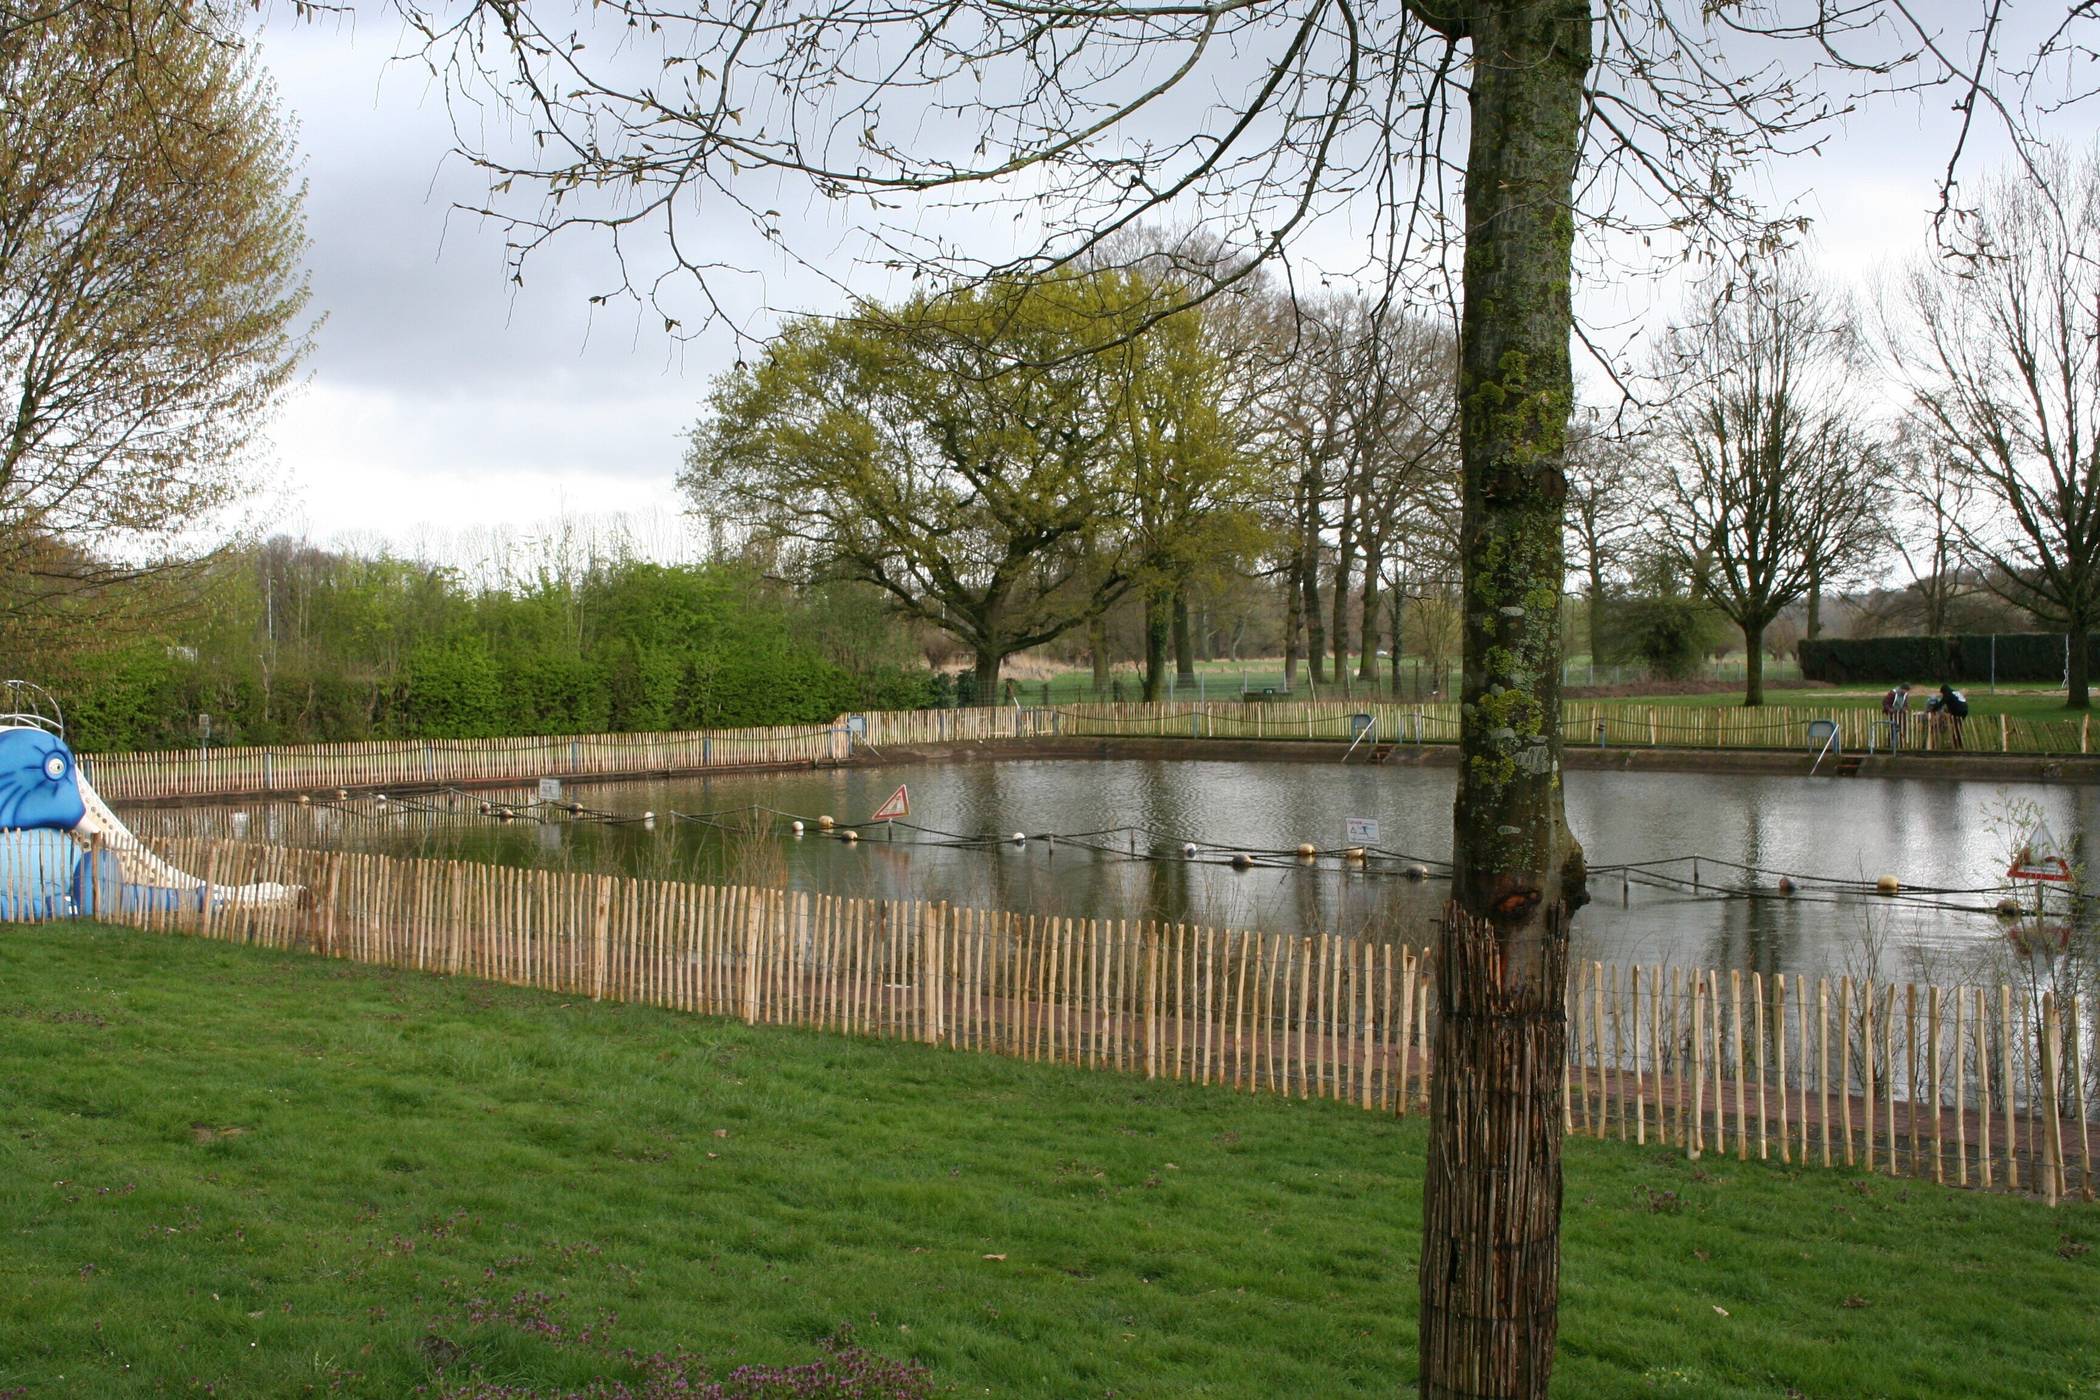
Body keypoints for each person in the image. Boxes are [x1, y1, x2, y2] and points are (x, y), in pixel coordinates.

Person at [1881, 682, 1911, 749]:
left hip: (1900, 713)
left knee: (1902, 727)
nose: (1906, 692)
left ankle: (1901, 743)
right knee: (1893, 728)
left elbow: (1905, 704)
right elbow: (1885, 702)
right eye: (1905, 690)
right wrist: (1889, 709)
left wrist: (1905, 708)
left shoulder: (1905, 695)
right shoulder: (1893, 693)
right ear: (1902, 689)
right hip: (1892, 713)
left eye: (1907, 691)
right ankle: (1890, 744)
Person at [1940, 682, 1968, 749]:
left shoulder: (1948, 694)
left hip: (1959, 710)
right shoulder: (1955, 692)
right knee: (1958, 726)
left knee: (1955, 726)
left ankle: (1955, 744)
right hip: (1965, 709)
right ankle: (1958, 743)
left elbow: (1946, 705)